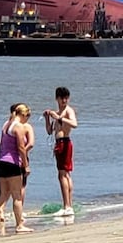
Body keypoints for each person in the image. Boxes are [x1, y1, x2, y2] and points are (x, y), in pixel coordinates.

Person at [0, 103, 34, 234]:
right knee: (17, 196)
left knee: (3, 195)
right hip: (12, 163)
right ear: (22, 114)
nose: (27, 119)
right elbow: (21, 147)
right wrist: (26, 165)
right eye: (27, 116)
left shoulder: (6, 124)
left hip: (0, 162)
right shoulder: (18, 127)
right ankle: (19, 224)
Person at [43, 86, 78, 218]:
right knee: (64, 174)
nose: (64, 100)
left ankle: (67, 206)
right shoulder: (58, 112)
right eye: (62, 98)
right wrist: (48, 118)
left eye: (66, 98)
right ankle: (68, 205)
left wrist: (59, 117)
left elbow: (74, 124)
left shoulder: (68, 111)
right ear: (57, 98)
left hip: (65, 142)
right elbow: (49, 131)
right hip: (59, 143)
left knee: (63, 174)